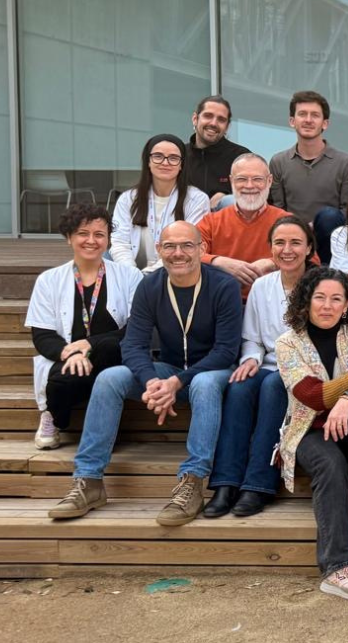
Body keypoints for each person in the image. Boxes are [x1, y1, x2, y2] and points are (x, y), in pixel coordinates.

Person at [48, 222, 242, 526]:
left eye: (187, 245)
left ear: (202, 249)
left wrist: (176, 382)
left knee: (204, 383)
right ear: (159, 250)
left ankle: (192, 483)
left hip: (212, 371)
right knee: (109, 378)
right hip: (168, 371)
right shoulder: (150, 286)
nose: (178, 253)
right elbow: (133, 344)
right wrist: (151, 381)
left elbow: (226, 351)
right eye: (170, 246)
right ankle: (89, 481)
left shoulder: (223, 285)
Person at [274, 268, 348, 601]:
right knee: (330, 465)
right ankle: (338, 569)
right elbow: (312, 396)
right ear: (305, 302)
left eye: (336, 299)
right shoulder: (287, 343)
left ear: (346, 306)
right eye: (320, 297)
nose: (327, 306)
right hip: (309, 430)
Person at [204, 216, 313, 518]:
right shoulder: (262, 286)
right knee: (239, 387)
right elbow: (252, 337)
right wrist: (251, 359)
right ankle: (226, 483)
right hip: (268, 363)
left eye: (295, 243)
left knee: (272, 386)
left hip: (307, 368)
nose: (287, 250)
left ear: (309, 248)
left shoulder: (323, 284)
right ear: (270, 248)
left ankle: (258, 484)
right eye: (279, 243)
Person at [27, 204, 144, 450]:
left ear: (108, 240)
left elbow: (136, 328)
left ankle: (100, 428)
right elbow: (42, 335)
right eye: (83, 233)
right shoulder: (48, 280)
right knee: (63, 379)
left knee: (110, 348)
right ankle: (53, 418)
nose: (91, 240)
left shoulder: (130, 277)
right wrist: (72, 353)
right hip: (67, 357)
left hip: (112, 354)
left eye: (99, 234)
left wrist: (89, 344)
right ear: (69, 238)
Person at [267, 91, 348, 266]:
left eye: (315, 115)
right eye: (302, 114)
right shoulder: (278, 162)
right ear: (292, 121)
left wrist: (316, 224)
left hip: (330, 238)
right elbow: (278, 208)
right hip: (291, 237)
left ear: (325, 123)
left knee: (329, 216)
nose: (308, 120)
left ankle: (327, 271)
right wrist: (298, 228)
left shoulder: (345, 162)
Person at [197, 154, 297, 297]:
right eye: (241, 179)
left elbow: (311, 261)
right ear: (231, 181)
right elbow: (188, 253)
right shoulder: (211, 222)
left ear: (269, 181)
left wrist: (272, 263)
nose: (249, 186)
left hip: (274, 301)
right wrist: (217, 261)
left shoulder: (287, 221)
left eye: (257, 179)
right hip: (223, 301)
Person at [111, 133, 211, 273]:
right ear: (148, 161)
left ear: (181, 165)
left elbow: (189, 246)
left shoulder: (197, 200)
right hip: (131, 274)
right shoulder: (128, 198)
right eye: (158, 156)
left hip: (176, 271)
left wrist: (149, 275)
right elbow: (120, 243)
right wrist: (132, 274)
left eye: (173, 158)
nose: (165, 163)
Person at [183, 95, 251, 210]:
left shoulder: (242, 158)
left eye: (221, 120)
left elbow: (258, 195)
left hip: (225, 218)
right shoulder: (179, 155)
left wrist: (226, 196)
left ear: (227, 127)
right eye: (208, 116)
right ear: (195, 119)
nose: (214, 123)